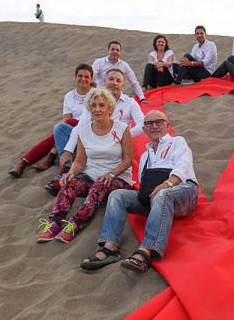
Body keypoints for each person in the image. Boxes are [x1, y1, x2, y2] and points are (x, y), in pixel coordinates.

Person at [80, 110, 199, 272]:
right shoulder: (144, 156)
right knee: (117, 195)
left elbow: (183, 167)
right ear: (144, 130)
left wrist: (168, 184)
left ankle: (147, 250)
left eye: (159, 122)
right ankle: (110, 247)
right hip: (156, 199)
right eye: (149, 123)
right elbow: (144, 185)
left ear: (167, 125)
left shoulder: (178, 142)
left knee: (163, 193)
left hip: (183, 192)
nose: (154, 126)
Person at [36, 88, 134, 244]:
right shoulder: (84, 131)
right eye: (93, 106)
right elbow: (80, 161)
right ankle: (55, 222)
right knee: (69, 183)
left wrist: (111, 174)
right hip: (92, 175)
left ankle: (75, 224)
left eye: (101, 105)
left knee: (100, 184)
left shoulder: (122, 129)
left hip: (118, 178)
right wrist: (71, 172)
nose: (97, 109)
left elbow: (128, 160)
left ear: (109, 107)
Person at [44, 68, 145, 195]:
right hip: (92, 139)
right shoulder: (94, 100)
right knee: (61, 128)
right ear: (104, 81)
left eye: (118, 80)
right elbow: (81, 127)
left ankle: (62, 176)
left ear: (122, 84)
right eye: (111, 79)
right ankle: (67, 171)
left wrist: (122, 135)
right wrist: (67, 151)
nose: (114, 82)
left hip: (115, 145)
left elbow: (142, 124)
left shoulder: (130, 103)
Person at [9, 63, 94, 177]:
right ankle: (43, 158)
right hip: (71, 130)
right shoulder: (69, 96)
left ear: (91, 79)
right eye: (80, 76)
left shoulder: (96, 94)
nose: (83, 79)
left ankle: (29, 160)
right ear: (75, 77)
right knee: (63, 126)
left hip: (88, 129)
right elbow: (66, 119)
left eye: (86, 76)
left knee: (63, 125)